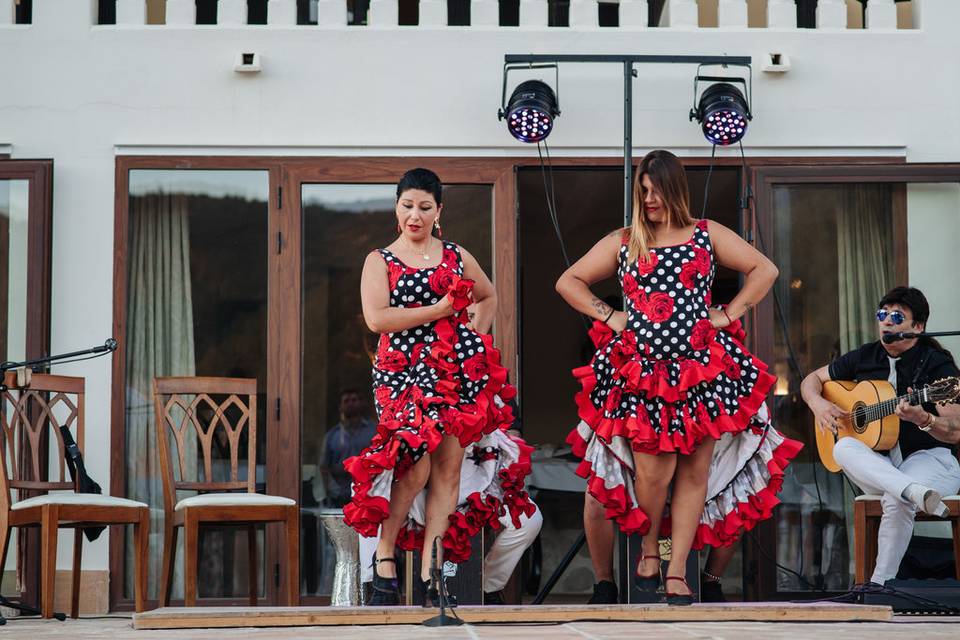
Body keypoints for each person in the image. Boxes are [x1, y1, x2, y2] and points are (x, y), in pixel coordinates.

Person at [556, 149, 801, 605]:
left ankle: (675, 573)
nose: (649, 198)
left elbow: (765, 269)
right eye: (642, 190)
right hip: (643, 371)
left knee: (694, 473)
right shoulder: (626, 240)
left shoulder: (706, 234)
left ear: (675, 188)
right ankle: (649, 549)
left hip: (702, 368)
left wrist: (729, 314)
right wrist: (610, 317)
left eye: (656, 189)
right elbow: (569, 281)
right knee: (654, 470)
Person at [344, 168, 530, 606]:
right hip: (401, 374)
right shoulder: (380, 259)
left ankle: (433, 571)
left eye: (425, 207)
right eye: (407, 205)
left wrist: (473, 341)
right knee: (415, 465)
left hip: (452, 376)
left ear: (438, 211)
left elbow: (488, 297)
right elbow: (377, 319)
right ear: (396, 207)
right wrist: (440, 310)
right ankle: (385, 555)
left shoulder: (455, 254)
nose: (415, 214)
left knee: (448, 466)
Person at [801, 286, 960, 586]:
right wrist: (818, 403)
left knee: (896, 498)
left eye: (897, 317)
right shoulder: (865, 355)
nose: (886, 322)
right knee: (843, 447)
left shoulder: (937, 366)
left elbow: (956, 431)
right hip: (881, 466)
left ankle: (878, 586)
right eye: (882, 315)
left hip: (930, 460)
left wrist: (924, 418)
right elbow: (811, 380)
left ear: (918, 327)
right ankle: (913, 491)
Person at [359, 394, 542, 605]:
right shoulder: (409, 380)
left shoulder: (487, 380)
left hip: (477, 483)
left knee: (530, 521)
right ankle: (374, 585)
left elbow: (513, 436)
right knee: (373, 501)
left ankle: (488, 587)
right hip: (418, 484)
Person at [319, 389, 376, 507]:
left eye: (354, 400)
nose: (351, 403)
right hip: (339, 499)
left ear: (361, 403)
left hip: (369, 494)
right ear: (340, 407)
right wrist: (335, 492)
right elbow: (324, 468)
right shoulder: (331, 436)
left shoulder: (374, 431)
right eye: (346, 401)